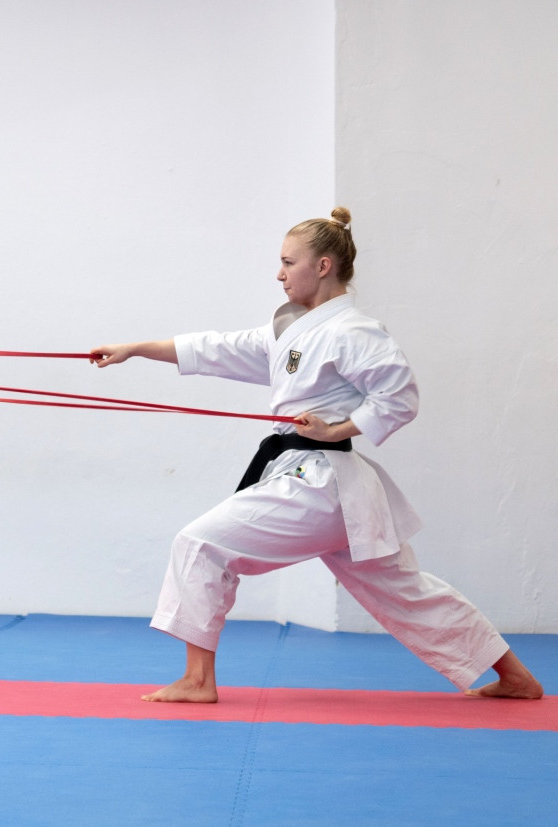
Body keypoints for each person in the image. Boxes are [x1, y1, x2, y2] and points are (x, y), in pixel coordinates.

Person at [90, 207, 543, 703]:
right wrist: (134, 348)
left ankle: (198, 681)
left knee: (200, 545)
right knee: (407, 592)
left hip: (320, 480)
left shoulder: (352, 330)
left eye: (288, 262)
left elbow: (400, 397)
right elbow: (216, 347)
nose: (279, 273)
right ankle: (516, 677)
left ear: (323, 266)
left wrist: (337, 429)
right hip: (335, 490)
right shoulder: (292, 329)